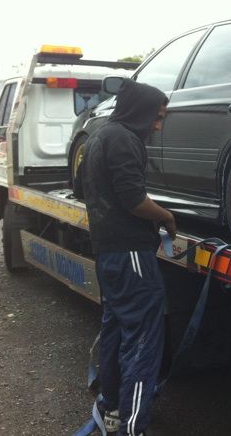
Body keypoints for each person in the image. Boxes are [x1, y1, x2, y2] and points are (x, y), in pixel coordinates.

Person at [78, 79, 176, 436]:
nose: (158, 125)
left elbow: (83, 188)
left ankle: (111, 406)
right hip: (132, 254)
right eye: (157, 117)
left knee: (117, 330)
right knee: (142, 342)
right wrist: (165, 216)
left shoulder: (99, 136)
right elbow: (134, 200)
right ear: (141, 111)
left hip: (108, 253)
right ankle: (133, 427)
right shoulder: (124, 140)